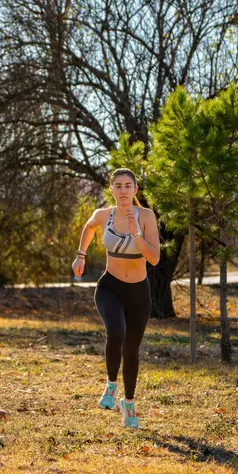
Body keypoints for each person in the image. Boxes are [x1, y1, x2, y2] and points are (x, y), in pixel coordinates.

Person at [72, 168, 160, 429]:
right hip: (109, 287)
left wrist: (136, 234)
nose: (123, 191)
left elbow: (154, 258)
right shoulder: (104, 215)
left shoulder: (145, 216)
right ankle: (111, 386)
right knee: (116, 332)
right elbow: (88, 227)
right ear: (112, 190)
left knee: (131, 351)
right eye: (118, 186)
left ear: (135, 190)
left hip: (138, 293)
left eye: (128, 186)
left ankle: (129, 405)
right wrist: (81, 255)